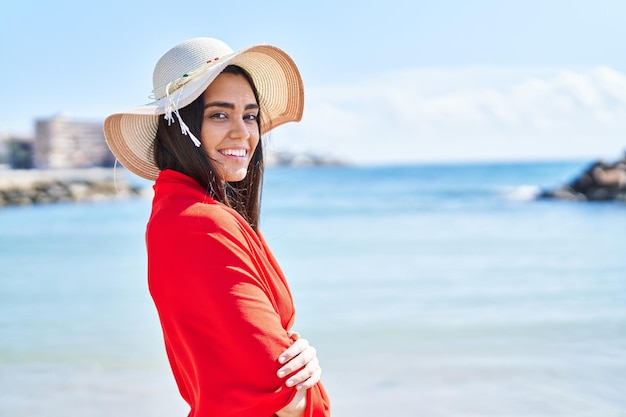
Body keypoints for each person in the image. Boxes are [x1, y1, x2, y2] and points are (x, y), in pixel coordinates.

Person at [103, 37, 330, 417]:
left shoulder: (178, 213)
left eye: (250, 115)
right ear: (181, 126)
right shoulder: (199, 223)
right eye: (219, 114)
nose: (243, 133)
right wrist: (311, 388)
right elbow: (280, 390)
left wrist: (300, 359)